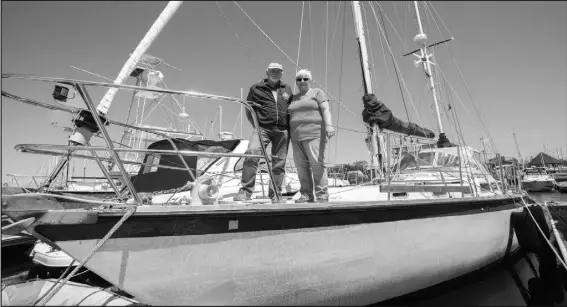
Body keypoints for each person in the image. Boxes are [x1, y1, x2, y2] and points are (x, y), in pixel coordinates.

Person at [233, 63, 293, 202]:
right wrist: (257, 125)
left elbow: (291, 108)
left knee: (279, 163)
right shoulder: (256, 88)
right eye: (272, 70)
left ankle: (275, 195)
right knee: (252, 153)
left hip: (282, 129)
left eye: (278, 71)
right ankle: (245, 192)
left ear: (282, 73)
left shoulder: (287, 89)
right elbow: (249, 109)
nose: (275, 73)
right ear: (267, 72)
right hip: (263, 128)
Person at [288, 69, 335, 203]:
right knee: (301, 166)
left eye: (305, 78)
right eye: (299, 79)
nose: (302, 81)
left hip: (314, 133)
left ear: (310, 80)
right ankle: (306, 194)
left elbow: (326, 109)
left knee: (317, 164)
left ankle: (322, 195)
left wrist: (329, 125)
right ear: (296, 81)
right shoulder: (293, 97)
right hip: (296, 137)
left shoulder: (317, 93)